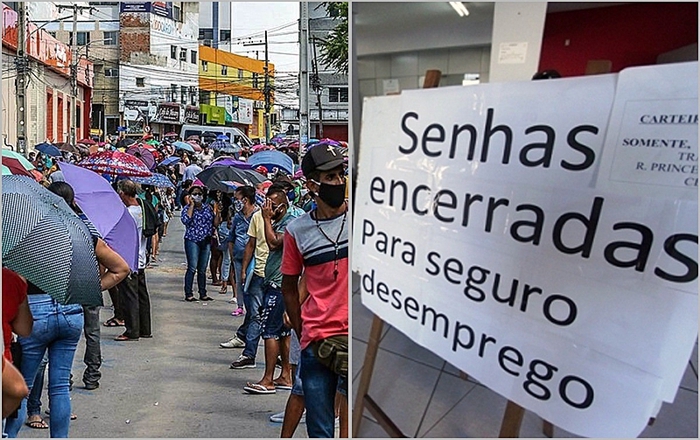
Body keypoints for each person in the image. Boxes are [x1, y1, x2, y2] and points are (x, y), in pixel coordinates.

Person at [4, 203, 129, 438]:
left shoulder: (26, 237)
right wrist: (87, 291)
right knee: (60, 386)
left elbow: (16, 280)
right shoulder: (82, 236)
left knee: (22, 386)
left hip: (35, 310)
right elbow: (120, 268)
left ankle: (9, 436)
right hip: (71, 309)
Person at [282, 143, 349, 437]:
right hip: (317, 342)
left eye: (340, 175)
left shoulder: (366, 221)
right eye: (330, 177)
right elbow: (289, 287)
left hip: (359, 338)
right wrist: (302, 332)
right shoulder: (297, 231)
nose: (337, 182)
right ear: (312, 184)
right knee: (320, 429)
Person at [242, 185, 300, 394]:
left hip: (280, 284)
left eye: (272, 206)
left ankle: (267, 379)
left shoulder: (290, 222)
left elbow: (274, 243)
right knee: (283, 332)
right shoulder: (282, 220)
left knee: (270, 332)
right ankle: (285, 375)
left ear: (283, 206)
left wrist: (266, 219)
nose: (267, 208)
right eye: (266, 204)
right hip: (276, 282)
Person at [228, 185, 271, 368]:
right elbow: (250, 245)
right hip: (256, 272)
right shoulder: (256, 218)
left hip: (276, 277)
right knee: (255, 314)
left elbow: (277, 242)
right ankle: (249, 353)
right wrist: (244, 269)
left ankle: (277, 358)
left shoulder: (288, 220)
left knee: (270, 320)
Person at [115, 179, 154, 341]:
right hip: (141, 257)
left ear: (123, 193)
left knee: (130, 296)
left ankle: (132, 330)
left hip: (129, 260)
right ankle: (145, 328)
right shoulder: (142, 209)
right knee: (141, 294)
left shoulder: (128, 214)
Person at [220, 186, 258, 347]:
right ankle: (241, 308)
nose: (235, 201)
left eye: (237, 198)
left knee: (252, 292)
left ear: (245, 199)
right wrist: (232, 252)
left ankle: (246, 336)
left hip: (254, 260)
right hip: (238, 256)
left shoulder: (258, 216)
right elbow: (232, 236)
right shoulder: (237, 217)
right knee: (241, 286)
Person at [181, 185, 215, 302]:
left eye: (200, 194)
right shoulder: (187, 208)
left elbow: (214, 222)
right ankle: (189, 293)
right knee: (192, 267)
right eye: (195, 194)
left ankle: (203, 292)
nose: (198, 196)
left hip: (206, 240)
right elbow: (186, 220)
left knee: (202, 269)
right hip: (192, 240)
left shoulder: (208, 208)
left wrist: (218, 212)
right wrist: (191, 205)